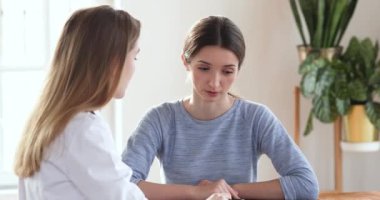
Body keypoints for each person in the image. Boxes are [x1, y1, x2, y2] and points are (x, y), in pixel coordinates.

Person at [122, 16, 319, 200]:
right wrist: (196, 192)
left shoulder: (256, 118)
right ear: (186, 61)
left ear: (238, 69)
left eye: (227, 71)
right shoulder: (160, 119)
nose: (215, 83)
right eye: (204, 68)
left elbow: (306, 184)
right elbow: (121, 185)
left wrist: (227, 191)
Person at [14, 5, 146, 200]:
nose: (135, 66)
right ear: (113, 62)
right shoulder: (82, 129)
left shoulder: (46, 124)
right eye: (135, 56)